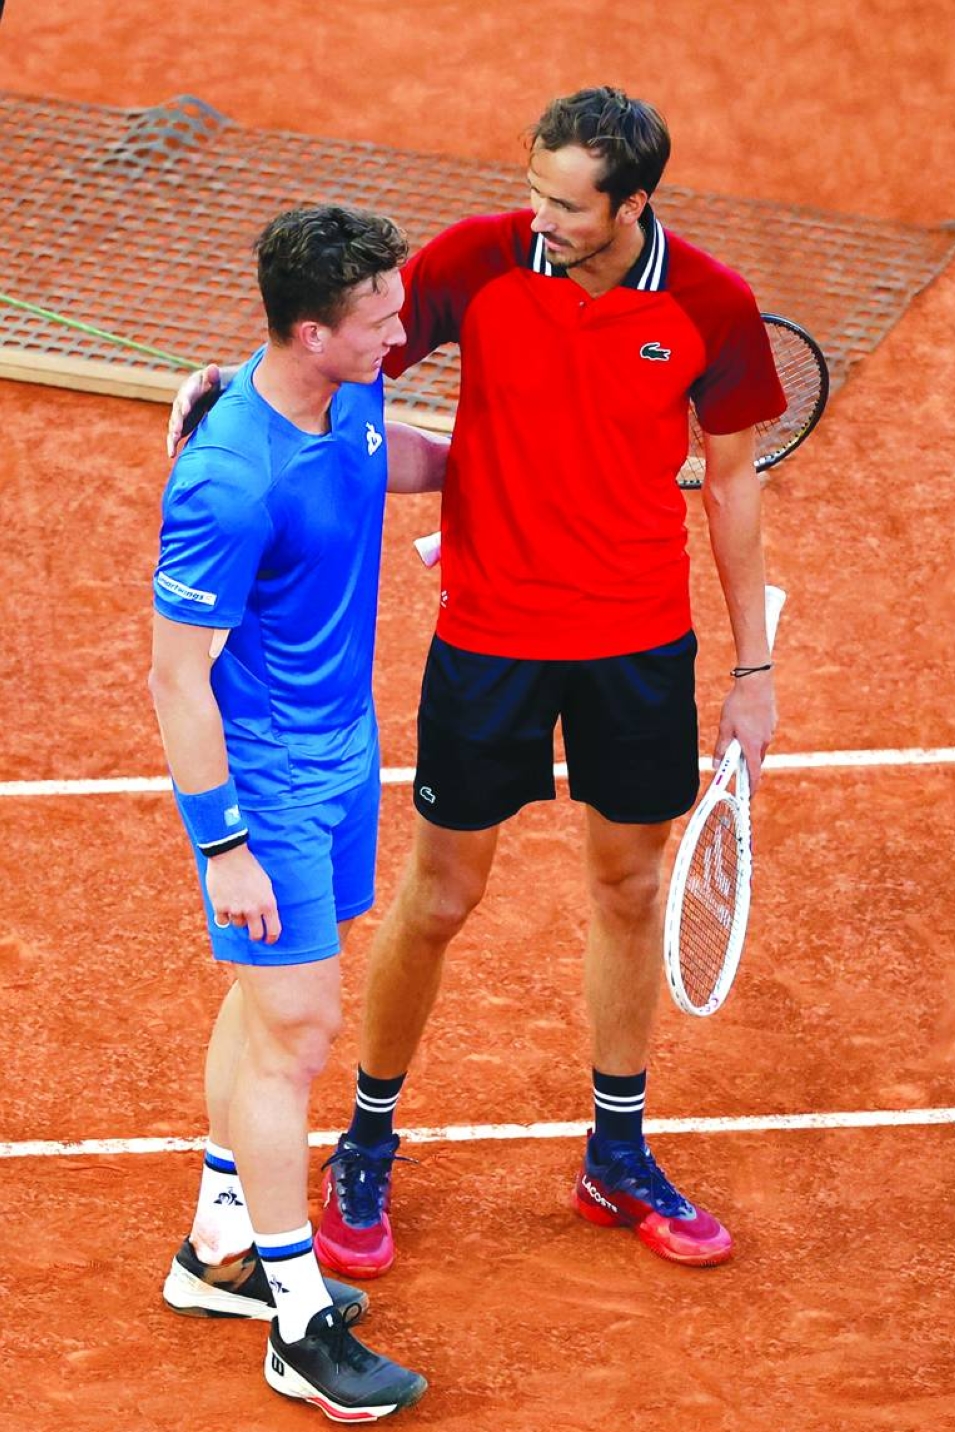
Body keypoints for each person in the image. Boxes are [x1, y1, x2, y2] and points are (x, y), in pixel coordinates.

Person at [168, 86, 786, 1283]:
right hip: (491, 634)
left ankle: (616, 1149)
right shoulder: (479, 262)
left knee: (628, 881)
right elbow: (342, 363)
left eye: (565, 201)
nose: (538, 215)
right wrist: (237, 420)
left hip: (637, 639)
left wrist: (751, 667)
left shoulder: (710, 305)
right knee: (440, 892)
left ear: (633, 201)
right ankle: (367, 1138)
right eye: (536, 189)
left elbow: (732, 486)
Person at [151, 203, 450, 1423]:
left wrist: (554, 455)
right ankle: (294, 1314)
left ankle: (218, 1240)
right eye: (380, 314)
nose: (401, 326)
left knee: (262, 1008)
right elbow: (175, 675)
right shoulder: (229, 476)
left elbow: (413, 458)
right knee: (300, 1028)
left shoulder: (354, 397)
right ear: (315, 328)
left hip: (343, 755)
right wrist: (222, 840)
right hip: (265, 780)